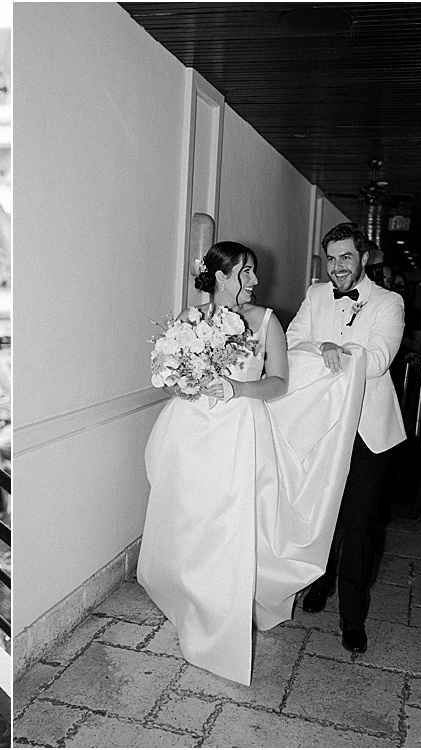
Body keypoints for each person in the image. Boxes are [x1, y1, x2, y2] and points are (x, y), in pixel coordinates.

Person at [138, 241, 290, 685]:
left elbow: (278, 383)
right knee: (190, 521)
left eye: (254, 273)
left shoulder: (265, 321)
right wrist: (186, 382)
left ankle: (220, 623)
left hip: (239, 431)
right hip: (190, 432)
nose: (254, 282)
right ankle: (189, 600)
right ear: (221, 278)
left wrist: (237, 389)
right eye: (245, 273)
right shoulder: (189, 320)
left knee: (230, 525)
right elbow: (170, 377)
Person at [290, 222, 407, 653]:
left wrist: (341, 352)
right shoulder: (315, 295)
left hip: (368, 430)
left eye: (346, 258)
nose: (337, 267)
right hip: (322, 423)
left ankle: (353, 617)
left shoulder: (389, 302)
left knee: (358, 522)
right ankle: (320, 582)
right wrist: (321, 348)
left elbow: (377, 360)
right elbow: (292, 339)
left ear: (364, 258)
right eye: (331, 258)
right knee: (322, 512)